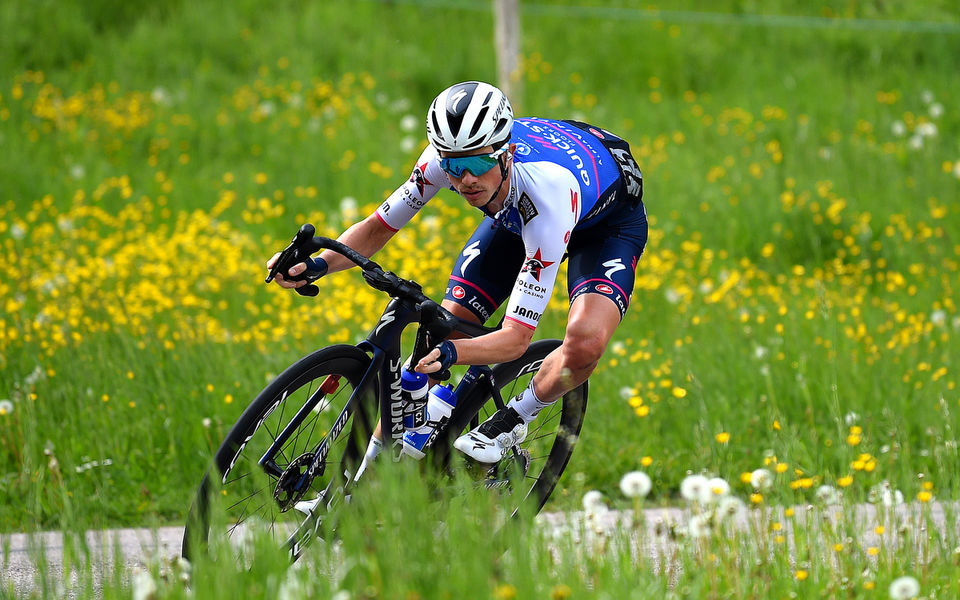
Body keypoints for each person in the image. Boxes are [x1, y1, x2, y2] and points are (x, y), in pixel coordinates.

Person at [268, 81, 647, 465]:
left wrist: (454, 352)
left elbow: (516, 339)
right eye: (453, 165)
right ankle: (359, 482)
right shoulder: (443, 161)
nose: (466, 179)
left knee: (585, 342)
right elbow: (378, 228)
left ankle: (516, 416)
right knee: (446, 324)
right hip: (514, 211)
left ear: (507, 153)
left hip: (603, 226)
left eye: (479, 163)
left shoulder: (547, 194)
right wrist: (315, 265)